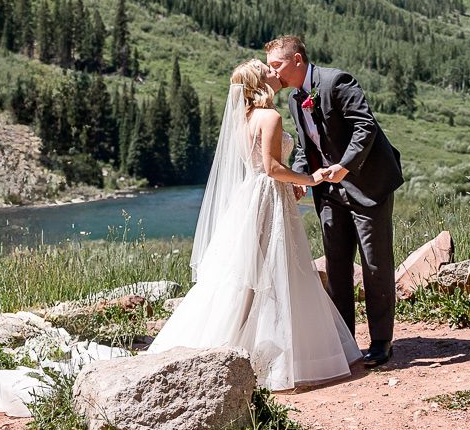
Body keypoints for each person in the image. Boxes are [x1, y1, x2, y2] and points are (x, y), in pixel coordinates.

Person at [149, 59, 361, 389]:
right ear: (260, 84)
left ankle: (227, 346)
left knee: (245, 275)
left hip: (250, 196)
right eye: (268, 71)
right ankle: (276, 359)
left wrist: (291, 179)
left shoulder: (243, 120)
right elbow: (274, 168)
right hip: (269, 196)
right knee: (275, 272)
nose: (275, 74)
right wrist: (309, 177)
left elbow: (261, 166)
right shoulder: (271, 117)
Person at [264, 35, 404, 367]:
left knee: (374, 264)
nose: (273, 73)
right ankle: (345, 341)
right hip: (328, 193)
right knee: (337, 266)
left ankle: (382, 342)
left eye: (277, 65)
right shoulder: (295, 100)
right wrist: (300, 177)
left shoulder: (336, 81)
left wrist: (344, 165)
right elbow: (304, 144)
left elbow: (364, 127)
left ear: (297, 60)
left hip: (368, 186)